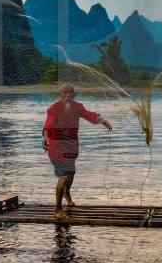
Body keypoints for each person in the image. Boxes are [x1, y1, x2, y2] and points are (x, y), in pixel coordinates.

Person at [42, 82, 112, 221]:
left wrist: (103, 121)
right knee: (63, 176)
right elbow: (48, 125)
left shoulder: (77, 107)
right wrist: (46, 138)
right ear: (60, 95)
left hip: (71, 147)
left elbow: (90, 115)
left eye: (70, 92)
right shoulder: (54, 108)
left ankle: (67, 194)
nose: (68, 95)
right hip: (56, 147)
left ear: (74, 94)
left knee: (71, 172)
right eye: (65, 92)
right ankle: (58, 209)